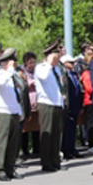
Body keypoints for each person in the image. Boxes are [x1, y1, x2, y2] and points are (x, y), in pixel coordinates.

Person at [0, 48, 23, 181]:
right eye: (12, 61)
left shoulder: (13, 75)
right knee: (2, 142)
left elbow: (17, 94)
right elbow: (0, 84)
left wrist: (19, 111)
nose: (14, 64)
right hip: (3, 112)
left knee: (13, 143)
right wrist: (9, 71)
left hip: (14, 111)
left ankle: (10, 168)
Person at [35, 40, 65, 172]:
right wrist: (49, 63)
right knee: (47, 133)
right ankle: (46, 162)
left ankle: (55, 160)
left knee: (56, 134)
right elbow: (43, 77)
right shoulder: (41, 67)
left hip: (57, 103)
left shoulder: (57, 69)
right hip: (46, 103)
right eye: (56, 55)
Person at [61, 54, 84, 160]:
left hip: (75, 104)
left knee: (73, 128)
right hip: (68, 105)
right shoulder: (63, 74)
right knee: (67, 129)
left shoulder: (74, 74)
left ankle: (72, 148)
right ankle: (66, 150)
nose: (73, 64)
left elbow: (78, 90)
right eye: (70, 63)